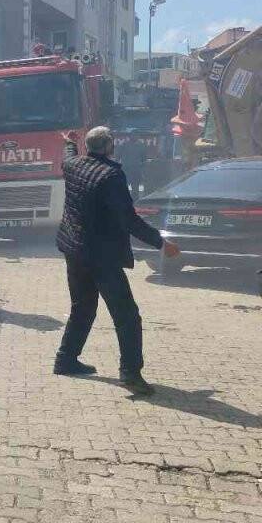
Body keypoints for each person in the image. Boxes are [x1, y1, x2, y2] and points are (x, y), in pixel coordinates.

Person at [54, 127, 180, 395]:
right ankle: (131, 375)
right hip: (101, 256)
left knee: (82, 307)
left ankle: (66, 359)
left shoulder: (73, 165)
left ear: (88, 147)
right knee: (126, 315)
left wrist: (69, 142)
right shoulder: (112, 176)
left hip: (74, 250)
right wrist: (161, 243)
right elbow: (129, 219)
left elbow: (67, 157)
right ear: (110, 146)